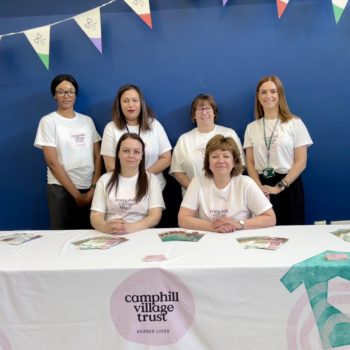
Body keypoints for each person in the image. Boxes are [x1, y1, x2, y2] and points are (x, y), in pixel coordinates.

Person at [34, 74, 102, 229]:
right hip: (61, 189)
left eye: (71, 91)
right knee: (61, 236)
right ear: (54, 95)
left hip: (88, 187)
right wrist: (76, 195)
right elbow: (52, 162)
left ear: (76, 95)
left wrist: (93, 188)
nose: (67, 95)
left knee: (89, 237)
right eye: (61, 91)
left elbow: (98, 156)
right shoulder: (48, 121)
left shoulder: (87, 121)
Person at [244, 75, 313, 225]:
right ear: (258, 96)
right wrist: (259, 189)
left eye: (273, 91)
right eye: (263, 92)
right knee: (264, 237)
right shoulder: (251, 128)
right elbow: (249, 161)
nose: (268, 96)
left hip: (288, 185)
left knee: (293, 234)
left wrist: (279, 187)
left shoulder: (295, 123)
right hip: (261, 187)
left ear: (279, 94)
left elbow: (301, 162)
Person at [178, 135, 275, 233]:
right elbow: (183, 219)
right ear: (208, 162)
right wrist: (213, 226)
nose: (221, 161)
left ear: (234, 162)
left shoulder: (246, 183)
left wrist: (237, 224)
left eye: (226, 156)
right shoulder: (197, 182)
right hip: (208, 240)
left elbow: (270, 218)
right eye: (215, 156)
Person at [170, 93, 245, 197]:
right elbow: (178, 171)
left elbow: (239, 165)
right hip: (195, 197)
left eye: (208, 108)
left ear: (214, 113)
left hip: (227, 196)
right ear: (194, 115)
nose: (204, 112)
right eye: (200, 109)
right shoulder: (184, 139)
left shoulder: (229, 134)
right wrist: (196, 190)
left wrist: (222, 190)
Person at [101, 84, 172, 190]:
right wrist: (130, 181)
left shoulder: (154, 124)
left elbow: (166, 158)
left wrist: (143, 176)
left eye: (135, 100)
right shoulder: (111, 128)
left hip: (155, 188)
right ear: (119, 105)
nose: (130, 105)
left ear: (141, 103)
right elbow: (110, 166)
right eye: (125, 101)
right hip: (123, 190)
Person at [91, 133, 164, 234]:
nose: (131, 156)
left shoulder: (151, 180)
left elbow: (155, 216)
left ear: (141, 156)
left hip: (142, 233)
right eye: (126, 151)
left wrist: (131, 227)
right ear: (118, 153)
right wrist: (106, 227)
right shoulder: (104, 180)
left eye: (136, 152)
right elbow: (95, 216)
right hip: (111, 234)